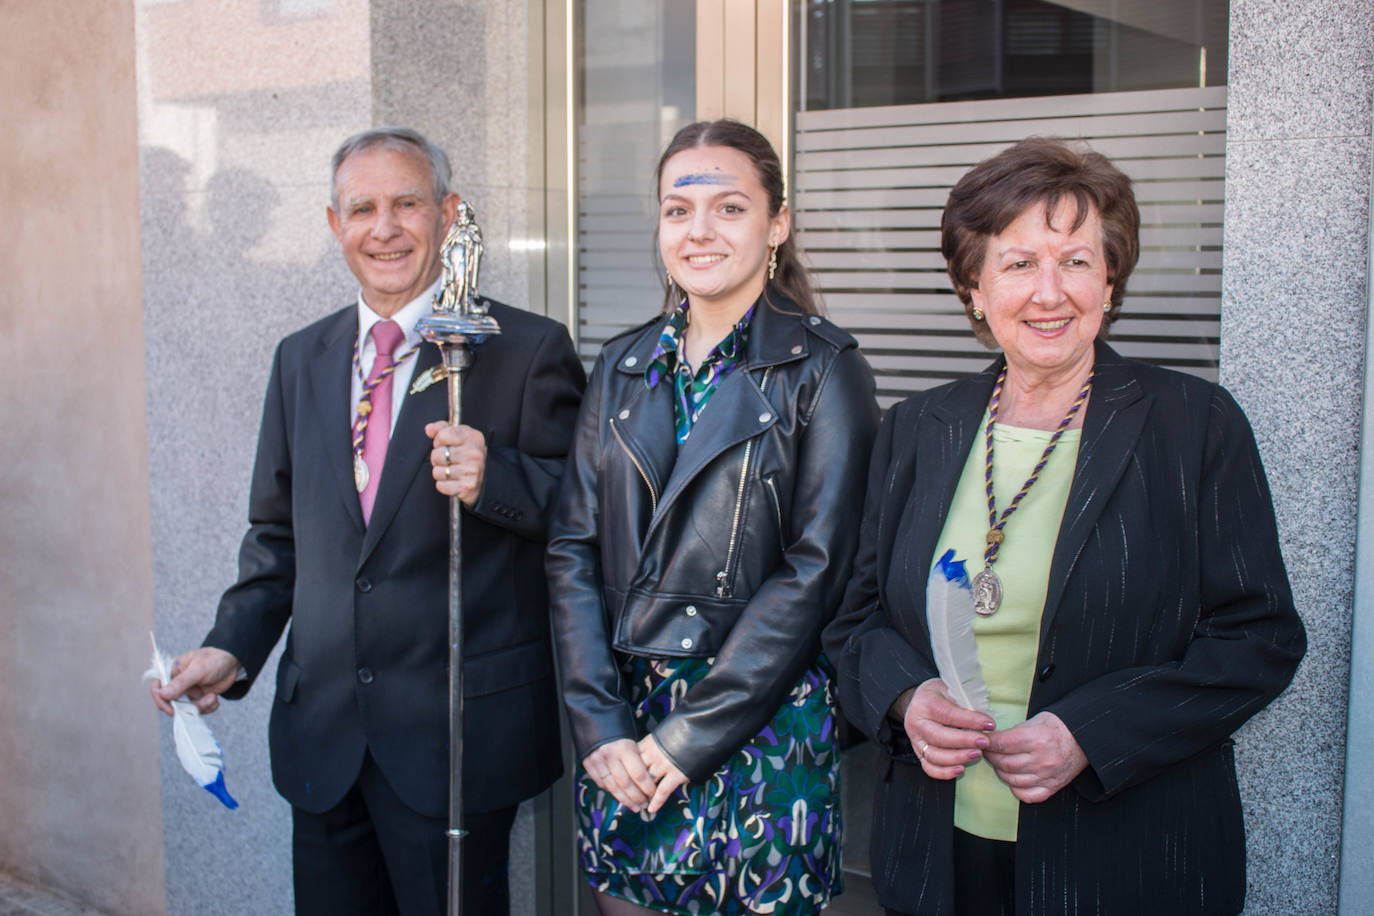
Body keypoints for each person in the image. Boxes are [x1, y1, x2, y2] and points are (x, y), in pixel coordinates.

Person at [823, 136, 1307, 915]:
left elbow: (1260, 637)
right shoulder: (919, 426)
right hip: (938, 848)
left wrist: (1090, 732)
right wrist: (903, 700)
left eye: (1076, 261)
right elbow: (856, 620)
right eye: (1017, 263)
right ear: (973, 288)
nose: (1050, 292)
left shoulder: (1194, 426)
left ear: (1109, 281)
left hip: (1127, 853)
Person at [149, 127, 586, 915]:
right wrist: (229, 648)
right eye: (362, 209)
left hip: (455, 741)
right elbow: (278, 537)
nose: (383, 227)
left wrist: (499, 479)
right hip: (322, 736)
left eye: (406, 203)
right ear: (333, 224)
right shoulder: (301, 358)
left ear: (449, 214)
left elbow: (584, 520)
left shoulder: (523, 350)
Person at [545, 119, 879, 915]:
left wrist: (686, 739)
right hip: (627, 736)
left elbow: (818, 570)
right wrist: (599, 726)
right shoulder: (623, 365)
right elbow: (571, 550)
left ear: (777, 225)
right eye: (677, 209)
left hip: (761, 726)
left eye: (730, 208)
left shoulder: (826, 369)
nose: (699, 231)